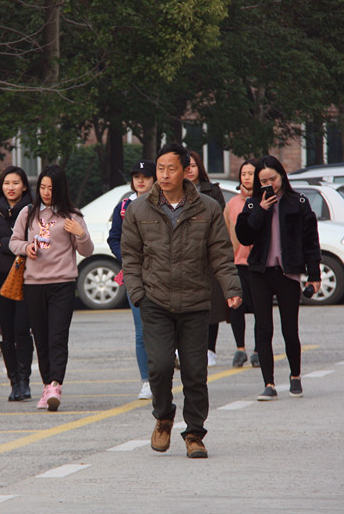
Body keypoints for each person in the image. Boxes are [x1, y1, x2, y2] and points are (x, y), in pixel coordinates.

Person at [121, 143, 242, 459]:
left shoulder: (207, 208)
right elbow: (130, 256)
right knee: (160, 367)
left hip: (195, 302)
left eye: (170, 168)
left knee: (195, 373)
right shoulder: (138, 209)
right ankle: (163, 416)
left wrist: (231, 288)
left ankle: (194, 434)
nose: (163, 174)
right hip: (155, 301)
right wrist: (137, 293)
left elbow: (221, 253)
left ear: (186, 170)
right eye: (160, 168)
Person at [235, 155, 321, 401]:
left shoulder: (298, 202)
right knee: (263, 328)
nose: (269, 184)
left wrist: (314, 274)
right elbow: (244, 237)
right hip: (260, 273)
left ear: (282, 176)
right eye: (263, 181)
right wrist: (260, 210)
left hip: (288, 272)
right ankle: (269, 383)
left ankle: (295, 376)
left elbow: (311, 240)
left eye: (273, 178)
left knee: (289, 328)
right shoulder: (253, 203)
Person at [9, 164, 94, 412]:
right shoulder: (28, 213)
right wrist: (26, 248)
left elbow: (87, 251)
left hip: (62, 284)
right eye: (43, 187)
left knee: (58, 336)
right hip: (34, 284)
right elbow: (14, 242)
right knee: (41, 338)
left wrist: (80, 233)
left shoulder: (72, 215)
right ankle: (47, 385)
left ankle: (56, 384)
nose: (46, 192)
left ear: (61, 189)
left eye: (51, 188)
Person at [0, 166, 35, 402]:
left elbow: (38, 246)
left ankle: (25, 381)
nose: (11, 188)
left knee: (22, 330)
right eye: (6, 183)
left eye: (15, 183)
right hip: (2, 283)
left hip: (30, 281)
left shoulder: (34, 214)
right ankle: (14, 382)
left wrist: (6, 244)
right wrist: (17, 252)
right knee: (7, 331)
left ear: (24, 186)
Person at [107, 160, 157, 400]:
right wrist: (126, 258)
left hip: (161, 274)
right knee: (141, 331)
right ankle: (146, 380)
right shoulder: (123, 207)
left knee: (164, 327)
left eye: (145, 176)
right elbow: (114, 238)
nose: (141, 180)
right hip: (134, 274)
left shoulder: (163, 204)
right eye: (137, 176)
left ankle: (163, 373)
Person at [186, 150, 228, 367]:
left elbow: (220, 221)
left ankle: (210, 349)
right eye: (186, 167)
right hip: (185, 254)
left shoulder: (212, 191)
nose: (189, 170)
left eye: (193, 166)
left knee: (212, 304)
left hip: (208, 253)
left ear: (199, 167)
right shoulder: (173, 192)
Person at [223, 159, 260, 368]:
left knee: (260, 309)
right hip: (236, 264)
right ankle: (240, 349)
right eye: (243, 174)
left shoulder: (264, 201)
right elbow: (224, 234)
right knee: (236, 306)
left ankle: (258, 350)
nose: (247, 177)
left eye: (251, 173)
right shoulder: (232, 204)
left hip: (258, 265)